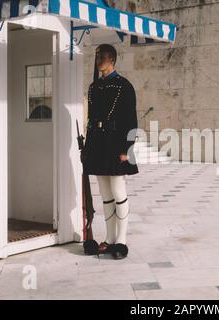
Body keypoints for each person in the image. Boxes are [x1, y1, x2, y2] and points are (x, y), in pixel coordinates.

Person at [81, 44, 139, 260]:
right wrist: (87, 148)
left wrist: (126, 148)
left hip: (115, 145)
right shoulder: (94, 87)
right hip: (98, 144)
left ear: (112, 60)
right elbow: (90, 121)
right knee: (105, 195)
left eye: (103, 57)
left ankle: (121, 241)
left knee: (118, 192)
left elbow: (131, 120)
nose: (99, 61)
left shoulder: (124, 86)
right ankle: (110, 238)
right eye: (97, 57)